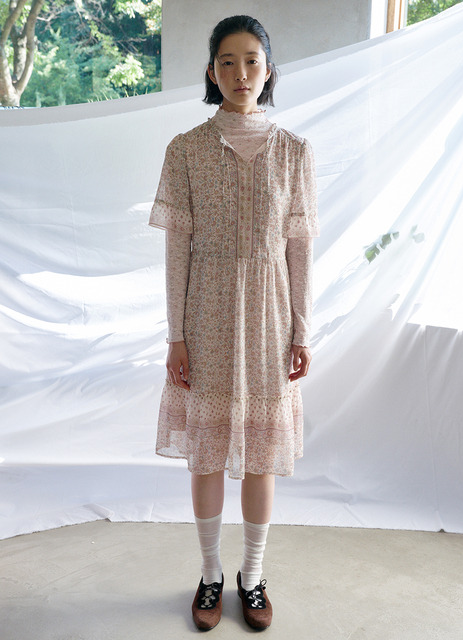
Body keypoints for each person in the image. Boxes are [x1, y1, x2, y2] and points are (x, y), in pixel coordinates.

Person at [149, 15, 320, 632]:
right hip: (207, 313)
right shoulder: (186, 149)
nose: (240, 72)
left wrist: (301, 329)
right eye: (227, 61)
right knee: (206, 452)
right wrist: (176, 335)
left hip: (270, 316)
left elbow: (299, 249)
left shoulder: (294, 151)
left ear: (269, 71)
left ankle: (253, 575)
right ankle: (210, 573)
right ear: (211, 71)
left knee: (261, 453)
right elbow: (177, 250)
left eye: (252, 60)